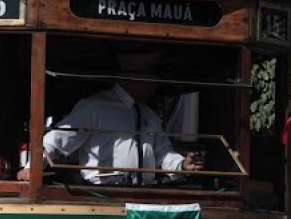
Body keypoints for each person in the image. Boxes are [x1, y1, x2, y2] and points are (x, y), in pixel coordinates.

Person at [17, 68, 203, 185]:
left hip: (145, 196)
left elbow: (162, 153)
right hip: (103, 194)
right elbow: (57, 140)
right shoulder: (95, 107)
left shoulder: (149, 114)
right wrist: (32, 167)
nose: (155, 84)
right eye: (151, 76)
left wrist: (182, 165)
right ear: (134, 76)